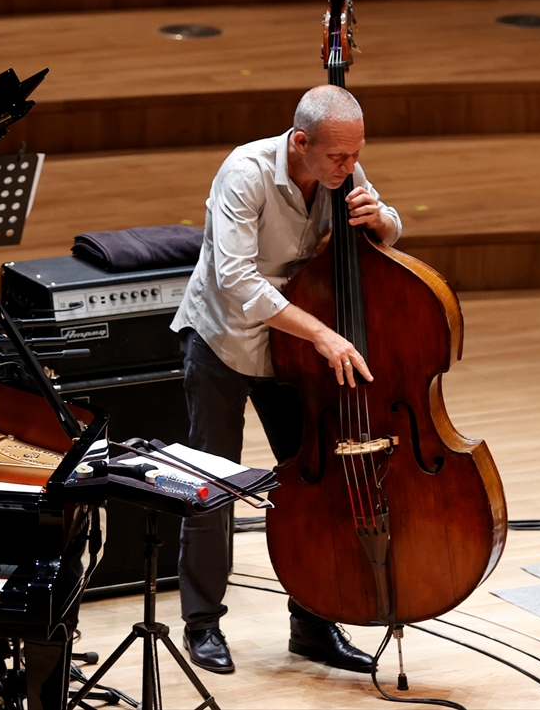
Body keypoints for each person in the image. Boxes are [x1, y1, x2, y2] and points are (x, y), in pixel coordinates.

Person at [169, 85, 401, 675]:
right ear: (301, 142)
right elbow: (237, 282)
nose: (349, 169)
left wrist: (386, 220)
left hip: (290, 352)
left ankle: (313, 622)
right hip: (223, 340)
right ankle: (201, 622)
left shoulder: (341, 165)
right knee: (212, 485)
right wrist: (321, 333)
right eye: (338, 159)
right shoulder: (243, 174)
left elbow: (384, 231)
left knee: (311, 484)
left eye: (355, 156)